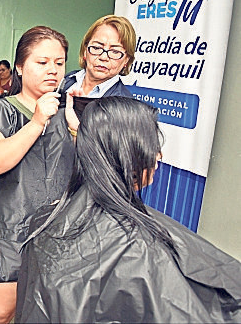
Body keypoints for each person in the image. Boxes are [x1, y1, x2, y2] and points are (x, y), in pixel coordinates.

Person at [16, 97, 241, 324]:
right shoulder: (141, 250)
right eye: (151, 145)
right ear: (127, 154)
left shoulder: (47, 218)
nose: (158, 155)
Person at [0, 25, 78, 324]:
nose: (52, 70)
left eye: (59, 62)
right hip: (10, 227)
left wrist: (76, 130)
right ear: (20, 66)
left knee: (47, 308)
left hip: (59, 227)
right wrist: (37, 121)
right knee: (1, 312)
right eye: (42, 63)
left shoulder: (70, 111)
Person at [64, 14, 135, 97]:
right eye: (97, 47)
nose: (103, 57)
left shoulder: (124, 104)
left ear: (126, 60)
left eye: (115, 51)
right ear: (85, 50)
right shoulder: (65, 80)